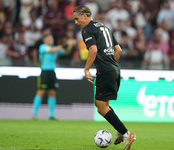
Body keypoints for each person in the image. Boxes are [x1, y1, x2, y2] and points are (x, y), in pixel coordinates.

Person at [73, 5, 136, 150]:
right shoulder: (104, 28)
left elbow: (93, 50)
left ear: (85, 15)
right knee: (101, 105)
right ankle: (120, 132)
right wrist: (111, 64)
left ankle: (126, 133)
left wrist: (87, 69)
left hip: (105, 71)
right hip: (114, 69)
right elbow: (118, 49)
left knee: (101, 108)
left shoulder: (87, 29)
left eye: (77, 19)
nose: (76, 22)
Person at [32, 34, 67, 120]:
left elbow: (64, 51)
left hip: (52, 72)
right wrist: (63, 45)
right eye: (48, 39)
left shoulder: (55, 48)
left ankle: (51, 115)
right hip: (44, 72)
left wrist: (68, 45)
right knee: (41, 91)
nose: (50, 40)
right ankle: (35, 114)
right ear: (45, 40)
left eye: (51, 38)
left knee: (52, 93)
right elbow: (53, 50)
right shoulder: (43, 47)